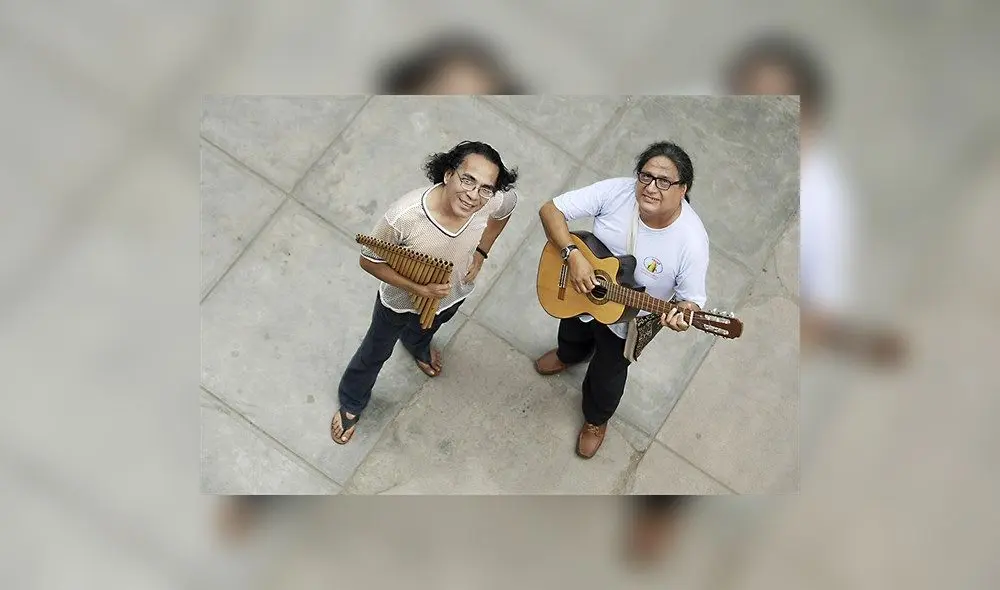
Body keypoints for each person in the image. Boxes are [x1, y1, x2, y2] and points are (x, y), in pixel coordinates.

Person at [330, 141, 519, 444]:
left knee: (430, 326)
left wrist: (482, 252)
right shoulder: (404, 217)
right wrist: (419, 288)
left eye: (486, 187)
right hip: (399, 303)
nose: (474, 195)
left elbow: (507, 208)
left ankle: (417, 344)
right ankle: (352, 400)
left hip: (453, 293)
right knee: (375, 352)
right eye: (467, 179)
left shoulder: (493, 201)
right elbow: (369, 260)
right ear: (447, 174)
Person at [534, 141, 710, 458]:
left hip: (633, 320)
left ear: (682, 189)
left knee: (609, 373)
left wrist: (682, 316)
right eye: (646, 176)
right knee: (571, 329)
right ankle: (568, 355)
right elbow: (551, 210)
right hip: (582, 289)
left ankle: (595, 420)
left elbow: (690, 302)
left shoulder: (692, 242)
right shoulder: (618, 192)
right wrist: (572, 256)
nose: (651, 188)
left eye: (664, 181)